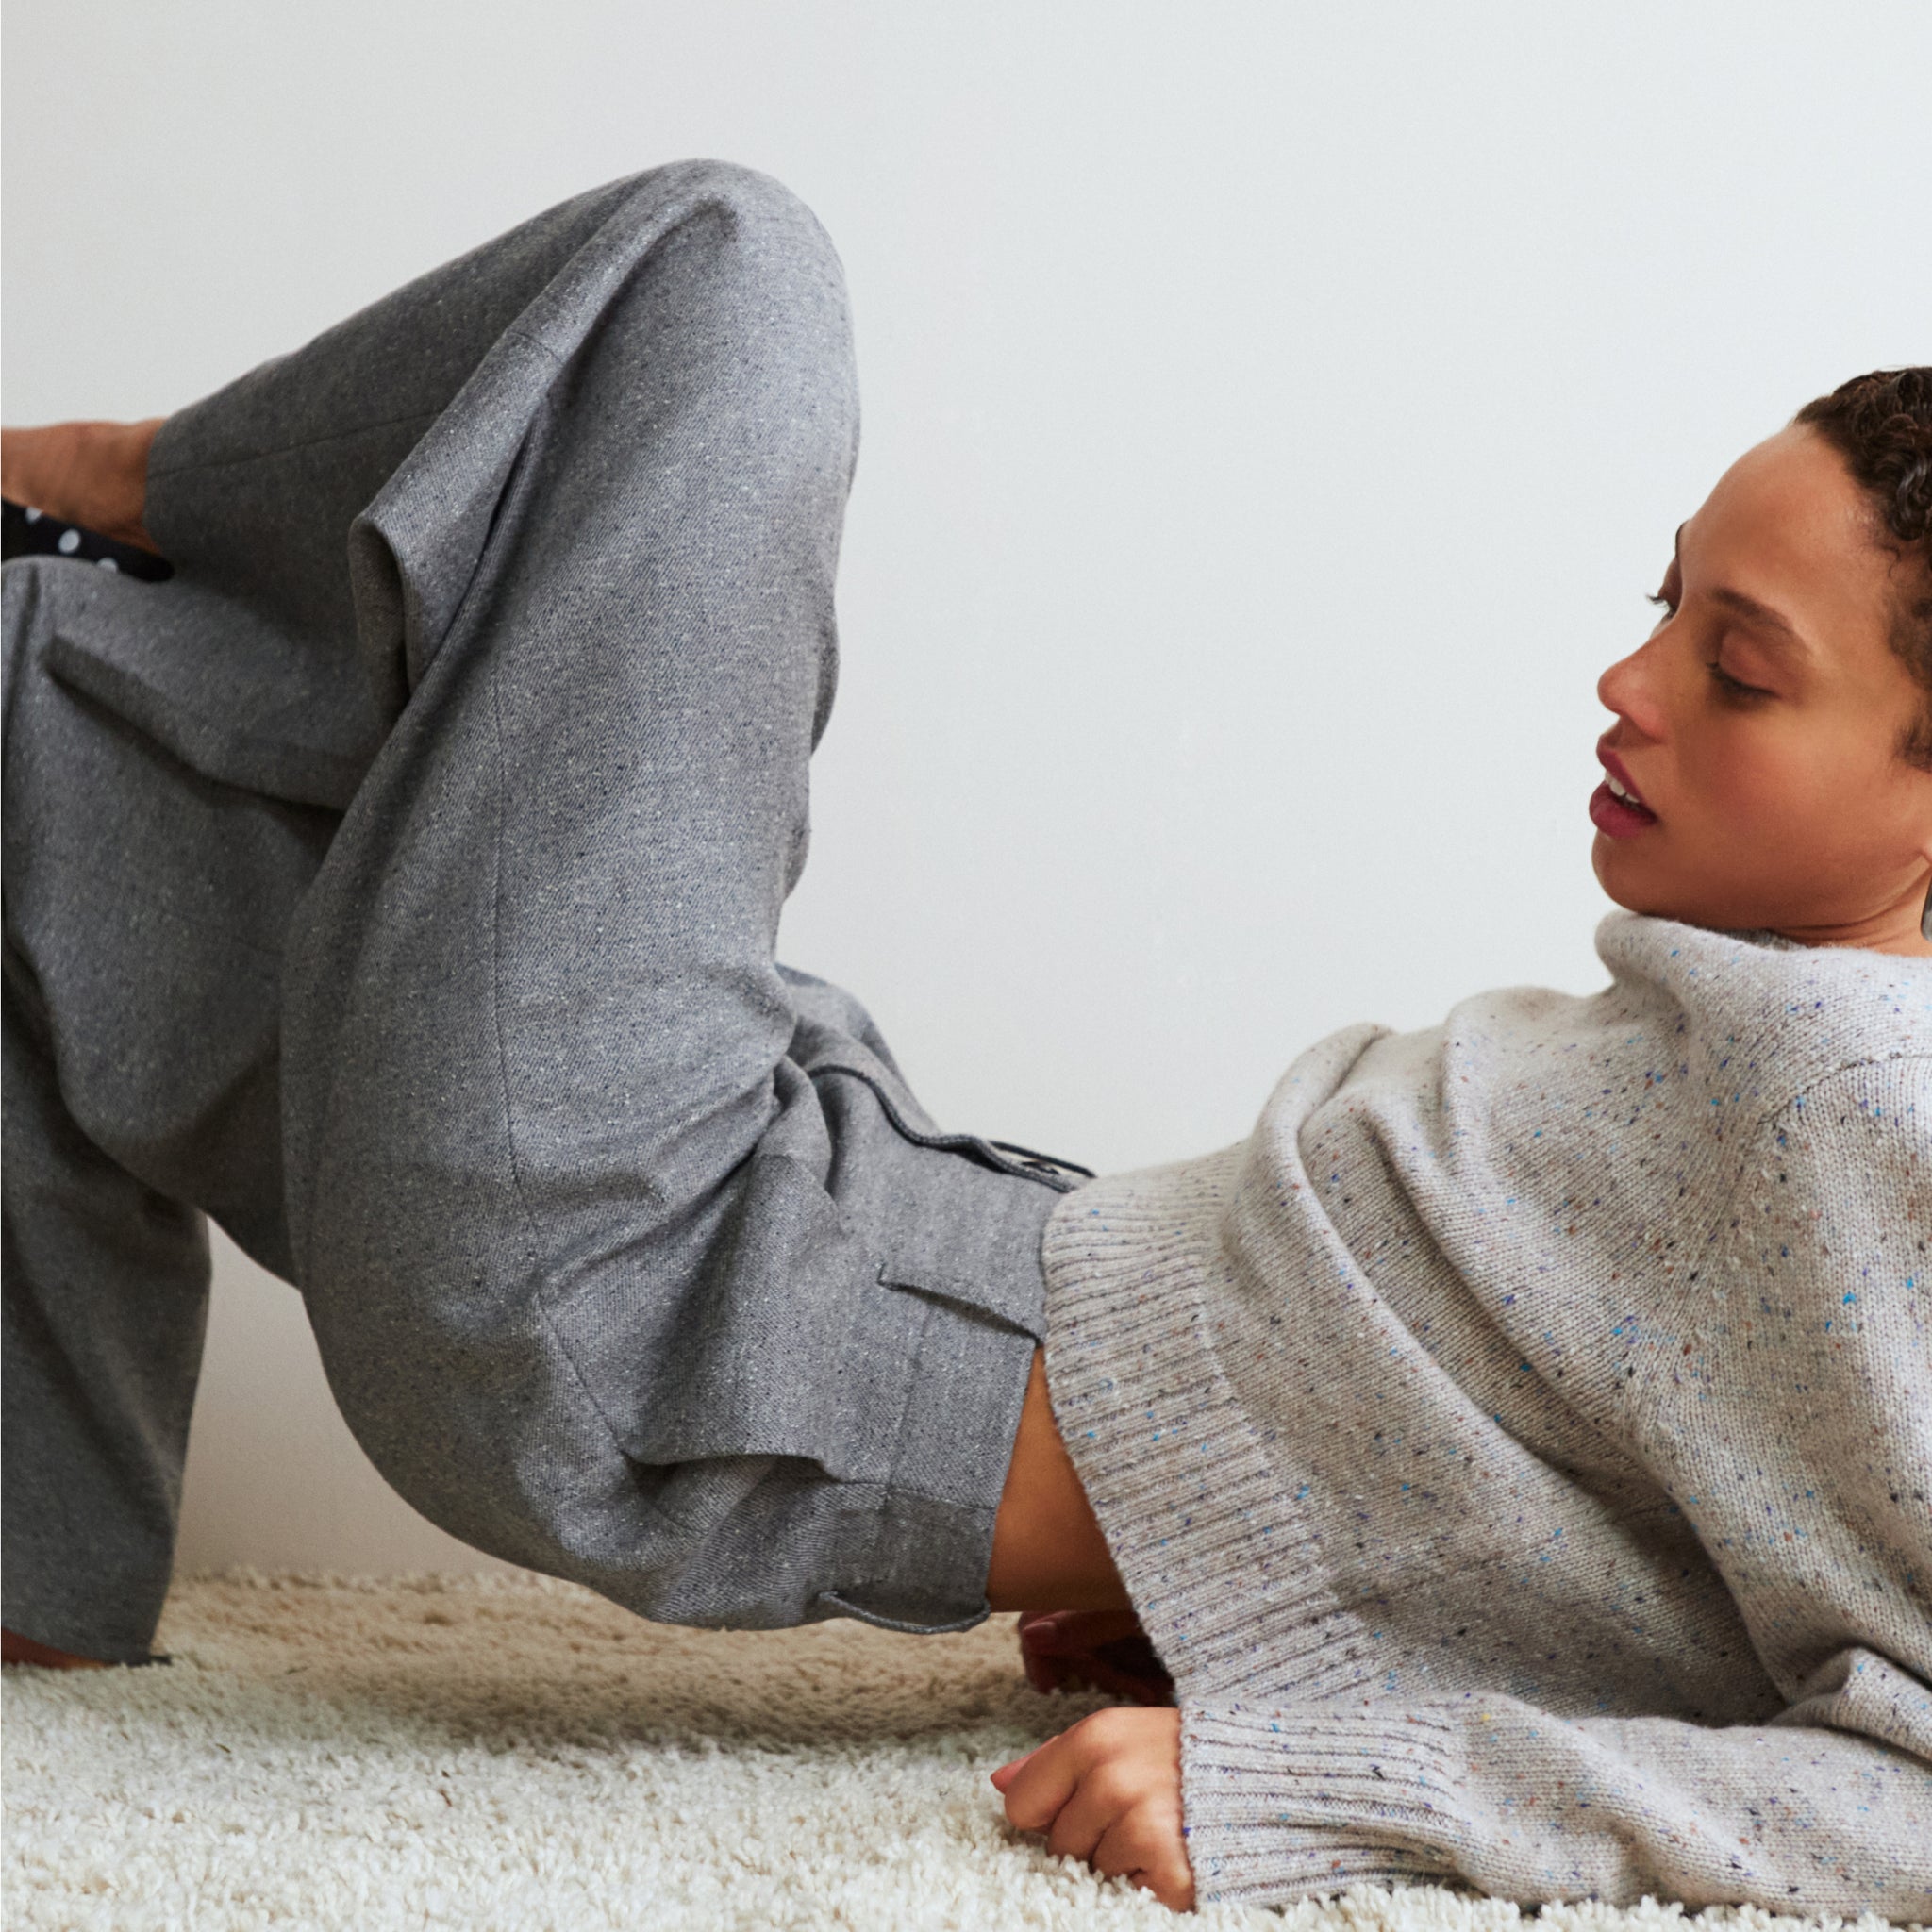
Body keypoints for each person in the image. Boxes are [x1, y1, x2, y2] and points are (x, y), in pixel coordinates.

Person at [1, 162, 1926, 1917]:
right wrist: (1227, 1590)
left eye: (1738, 670)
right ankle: (40, 1606)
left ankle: (139, 476)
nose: (1628, 679)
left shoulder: (1855, 1097)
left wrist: (1342, 1771)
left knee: (719, 275)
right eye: (1659, 601)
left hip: (651, 1309)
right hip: (814, 1210)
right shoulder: (1767, 1060)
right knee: (46, 703)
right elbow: (1634, 1523)